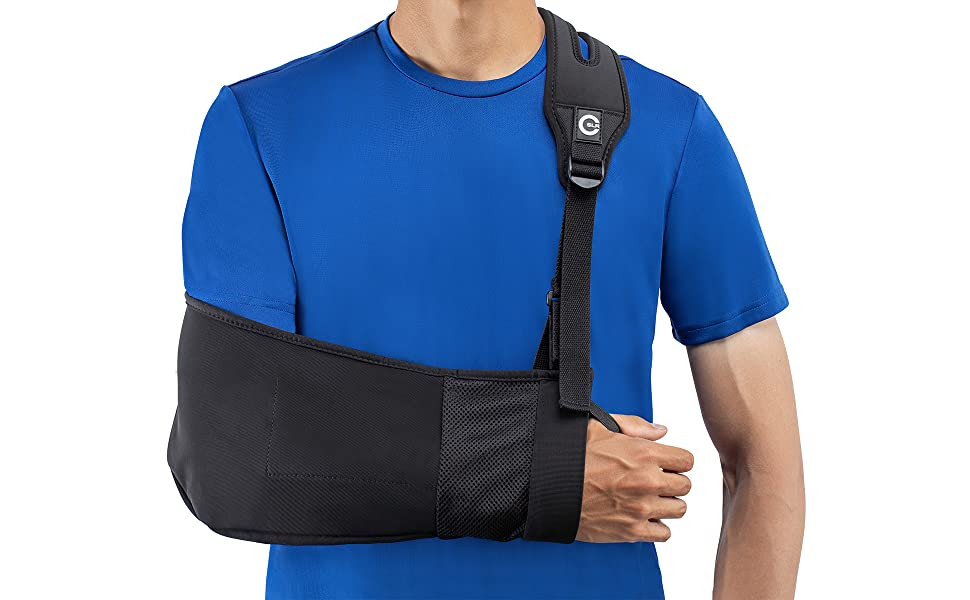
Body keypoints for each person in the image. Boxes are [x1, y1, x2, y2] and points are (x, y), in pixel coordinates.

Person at [180, 0, 805, 597]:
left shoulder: (668, 126)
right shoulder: (261, 124)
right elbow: (230, 454)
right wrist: (541, 472)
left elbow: (762, 463)